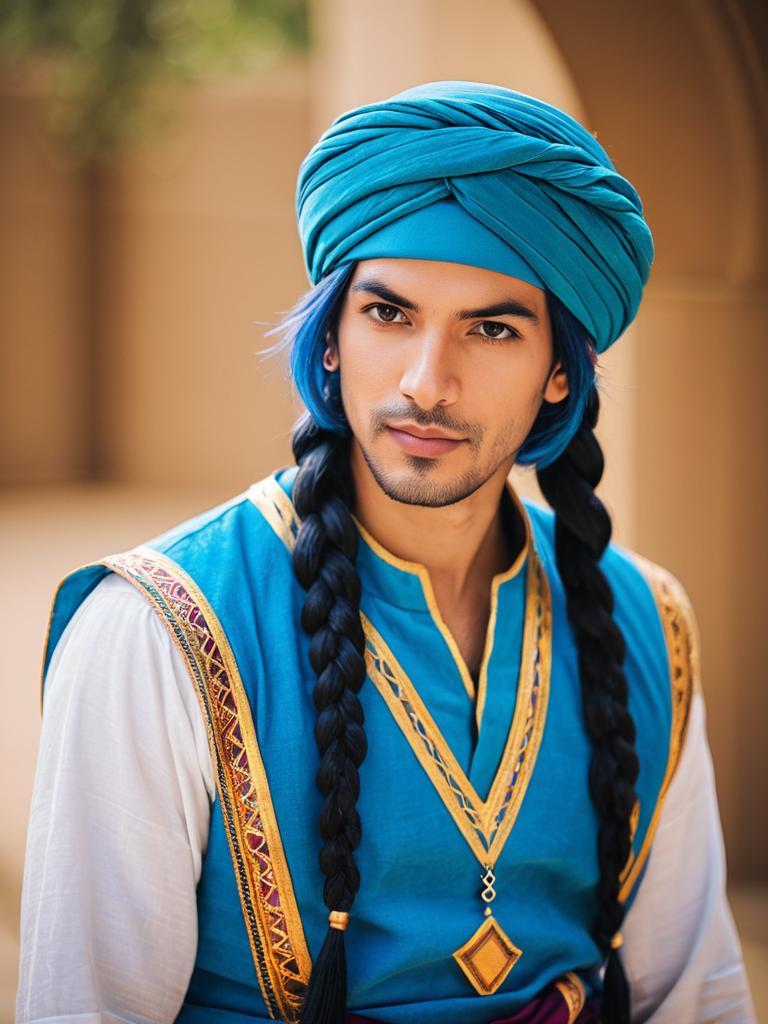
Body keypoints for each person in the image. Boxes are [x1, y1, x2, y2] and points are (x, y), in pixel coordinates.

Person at [16, 81, 755, 1024]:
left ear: (560, 373)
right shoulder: (156, 632)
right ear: (331, 338)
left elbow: (699, 999)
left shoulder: (647, 626)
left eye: (492, 328)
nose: (426, 382)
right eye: (389, 314)